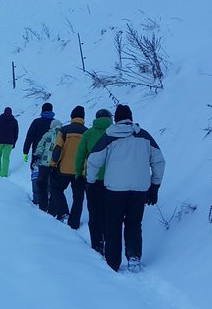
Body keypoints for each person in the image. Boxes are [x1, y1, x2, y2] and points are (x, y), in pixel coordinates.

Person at [85, 104, 165, 273]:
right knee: (134, 223)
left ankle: (113, 262)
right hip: (140, 188)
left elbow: (94, 160)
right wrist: (155, 184)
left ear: (116, 118)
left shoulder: (109, 136)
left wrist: (91, 182)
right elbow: (158, 161)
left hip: (114, 189)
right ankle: (134, 256)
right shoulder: (144, 135)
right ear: (131, 118)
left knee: (113, 224)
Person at [75, 108, 113, 254]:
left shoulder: (88, 134)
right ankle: (109, 240)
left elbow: (80, 155)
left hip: (92, 179)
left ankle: (97, 243)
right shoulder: (114, 133)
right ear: (109, 118)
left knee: (94, 211)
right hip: (113, 180)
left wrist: (78, 173)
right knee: (109, 212)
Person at [49, 106, 88, 227]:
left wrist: (53, 163)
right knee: (78, 197)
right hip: (80, 171)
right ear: (83, 118)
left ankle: (63, 212)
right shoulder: (87, 132)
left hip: (63, 169)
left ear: (71, 117)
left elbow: (58, 149)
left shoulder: (64, 130)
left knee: (57, 189)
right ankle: (74, 222)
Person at [22, 102, 57, 206]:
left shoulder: (36, 122)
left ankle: (37, 199)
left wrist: (25, 152)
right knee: (49, 176)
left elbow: (29, 137)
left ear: (42, 110)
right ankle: (48, 197)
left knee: (36, 175)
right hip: (51, 155)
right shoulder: (55, 123)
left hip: (37, 154)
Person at [31, 117, 63, 211]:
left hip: (44, 164)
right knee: (53, 186)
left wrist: (36, 156)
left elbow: (40, 146)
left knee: (42, 184)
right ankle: (52, 208)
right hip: (57, 164)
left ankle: (43, 206)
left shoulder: (47, 134)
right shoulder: (63, 135)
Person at [0, 107, 18, 177]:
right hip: (9, 142)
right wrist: (14, 143)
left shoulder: (0, 119)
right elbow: (16, 133)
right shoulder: (14, 121)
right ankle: (4, 174)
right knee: (6, 158)